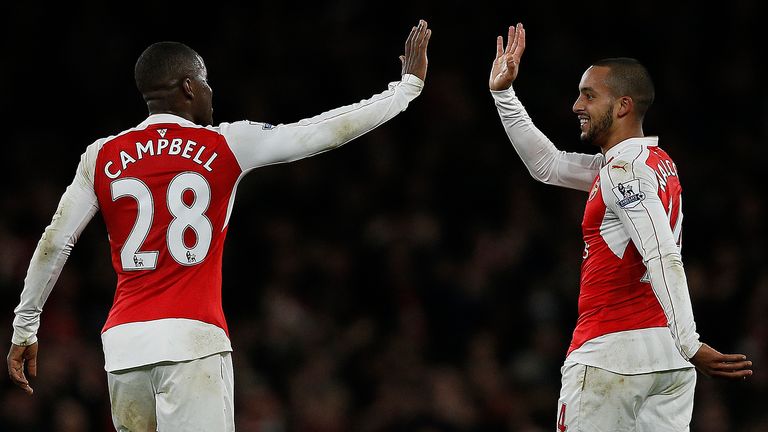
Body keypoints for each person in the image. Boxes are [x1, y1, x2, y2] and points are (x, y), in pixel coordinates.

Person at [8, 19, 431, 431]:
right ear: (189, 87)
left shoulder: (100, 156)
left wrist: (25, 326)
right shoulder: (225, 143)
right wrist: (404, 90)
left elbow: (55, 242)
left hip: (125, 348)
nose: (212, 92)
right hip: (193, 341)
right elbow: (321, 132)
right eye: (206, 80)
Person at [489, 23, 752, 431]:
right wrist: (504, 94)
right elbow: (548, 165)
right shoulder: (653, 163)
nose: (576, 104)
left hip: (612, 356)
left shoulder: (623, 171)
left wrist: (691, 341)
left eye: (589, 95)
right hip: (666, 366)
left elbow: (661, 252)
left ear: (624, 105)